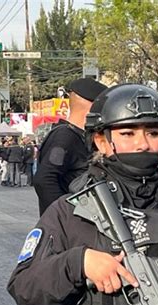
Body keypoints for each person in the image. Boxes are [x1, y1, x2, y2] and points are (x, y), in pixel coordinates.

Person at [8, 84, 158, 305]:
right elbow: (25, 292)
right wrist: (77, 263)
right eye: (127, 133)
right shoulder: (69, 212)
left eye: (152, 133)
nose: (142, 144)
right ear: (101, 141)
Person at [34, 78, 107, 216]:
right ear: (92, 108)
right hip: (69, 229)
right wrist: (66, 216)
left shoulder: (80, 136)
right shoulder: (65, 137)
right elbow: (44, 180)